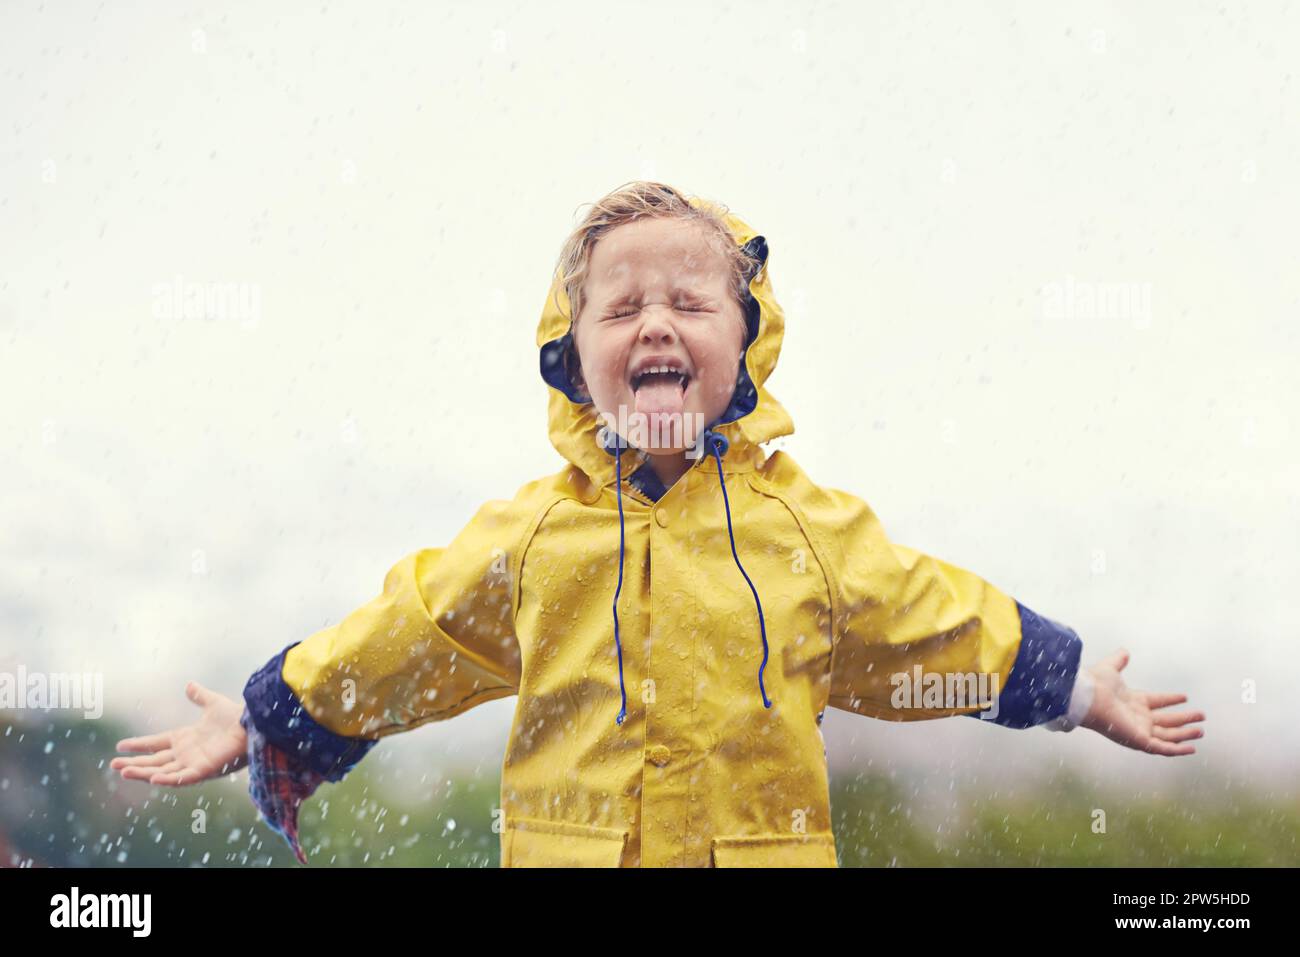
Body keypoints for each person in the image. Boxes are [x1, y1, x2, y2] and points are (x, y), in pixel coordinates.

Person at [112, 181, 1205, 867]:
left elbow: (932, 616)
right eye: (622, 307)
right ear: (571, 355)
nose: (655, 325)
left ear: (746, 341)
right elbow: (405, 633)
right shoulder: (532, 540)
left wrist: (1075, 686)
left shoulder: (806, 534)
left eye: (690, 302)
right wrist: (270, 713)